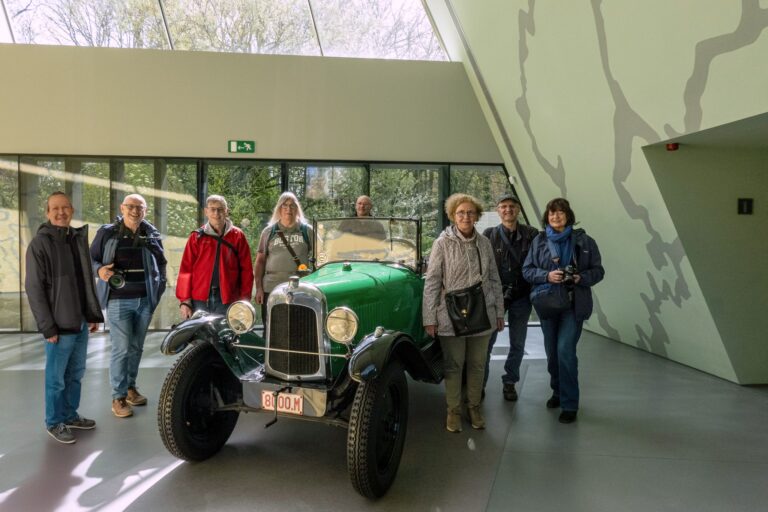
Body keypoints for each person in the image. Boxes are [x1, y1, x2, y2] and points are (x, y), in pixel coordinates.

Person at [25, 192, 104, 444]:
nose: (61, 212)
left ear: (71, 210)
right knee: (56, 379)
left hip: (79, 321)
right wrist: (47, 327)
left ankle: (70, 415)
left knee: (76, 374)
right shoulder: (40, 243)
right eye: (55, 208)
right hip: (58, 325)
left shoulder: (75, 239)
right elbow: (34, 289)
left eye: (65, 207)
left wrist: (91, 314)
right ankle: (54, 422)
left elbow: (84, 282)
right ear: (48, 213)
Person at [423, 193, 504, 433]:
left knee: (478, 365)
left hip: (483, 313)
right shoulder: (442, 243)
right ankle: (453, 411)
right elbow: (432, 282)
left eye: (470, 212)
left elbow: (494, 279)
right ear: (452, 216)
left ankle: (475, 407)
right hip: (451, 315)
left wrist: (499, 312)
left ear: (477, 216)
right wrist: (430, 318)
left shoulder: (484, 243)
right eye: (461, 212)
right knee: (454, 365)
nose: (466, 216)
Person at [522, 198, 604, 424]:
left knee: (565, 351)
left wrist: (581, 277)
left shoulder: (585, 241)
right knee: (551, 353)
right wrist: (546, 276)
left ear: (568, 215)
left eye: (560, 212)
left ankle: (570, 404)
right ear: (547, 217)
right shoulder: (538, 241)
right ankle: (557, 391)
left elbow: (599, 271)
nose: (556, 216)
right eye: (551, 213)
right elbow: (527, 271)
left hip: (574, 305)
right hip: (548, 303)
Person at [91, 194, 167, 419]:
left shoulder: (151, 233)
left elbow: (161, 263)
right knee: (122, 348)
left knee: (135, 348)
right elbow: (91, 258)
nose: (135, 211)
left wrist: (158, 289)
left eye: (140, 207)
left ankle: (130, 388)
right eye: (131, 207)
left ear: (145, 210)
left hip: (145, 300)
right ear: (122, 208)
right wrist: (100, 271)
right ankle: (118, 396)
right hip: (118, 300)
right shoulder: (107, 232)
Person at [483, 194, 538, 401]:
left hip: (522, 295)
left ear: (518, 210)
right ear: (498, 210)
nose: (508, 210)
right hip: (496, 296)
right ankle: (480, 383)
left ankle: (510, 381)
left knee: (518, 342)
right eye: (503, 206)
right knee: (487, 341)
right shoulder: (489, 234)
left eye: (512, 206)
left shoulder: (531, 234)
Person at [177, 195, 254, 318]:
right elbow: (186, 270)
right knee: (201, 336)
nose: (216, 213)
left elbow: (247, 270)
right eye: (212, 209)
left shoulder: (238, 236)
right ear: (206, 211)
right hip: (200, 299)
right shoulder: (196, 237)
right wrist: (185, 300)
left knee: (226, 335)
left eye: (220, 209)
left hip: (229, 299)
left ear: (226, 211)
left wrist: (244, 299)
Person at [254, 192, 313, 326]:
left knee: (300, 327)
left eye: (292, 205)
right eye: (284, 205)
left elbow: (321, 256)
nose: (288, 209)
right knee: (272, 327)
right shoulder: (268, 232)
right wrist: (258, 288)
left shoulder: (307, 231)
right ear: (279, 209)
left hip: (300, 288)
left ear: (297, 209)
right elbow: (260, 261)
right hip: (271, 288)